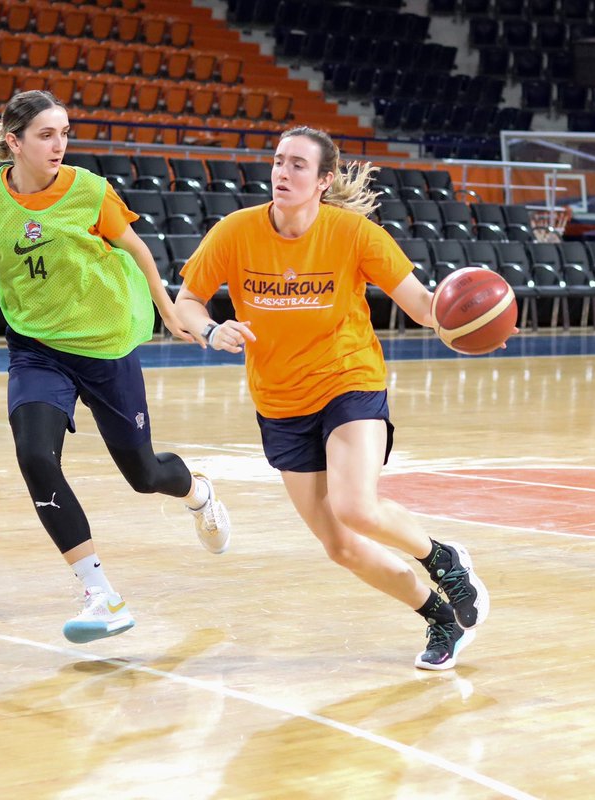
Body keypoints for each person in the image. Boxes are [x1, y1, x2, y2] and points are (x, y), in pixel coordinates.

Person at [0, 90, 231, 645]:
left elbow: (139, 250)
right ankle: (100, 593)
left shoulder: (89, 190)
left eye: (64, 134)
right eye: (46, 135)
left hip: (105, 346)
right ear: (14, 142)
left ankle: (197, 492)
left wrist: (167, 306)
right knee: (35, 455)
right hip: (36, 347)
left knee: (144, 474)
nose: (59, 145)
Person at [173, 126, 494, 670]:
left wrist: (466, 322)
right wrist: (208, 330)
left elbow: (419, 301)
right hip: (279, 401)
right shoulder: (235, 232)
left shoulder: (353, 234)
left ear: (323, 180)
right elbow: (188, 300)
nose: (282, 172)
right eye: (279, 161)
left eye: (299, 165)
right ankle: (439, 618)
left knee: (355, 505)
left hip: (349, 381)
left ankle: (444, 560)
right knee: (341, 546)